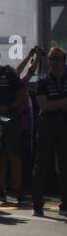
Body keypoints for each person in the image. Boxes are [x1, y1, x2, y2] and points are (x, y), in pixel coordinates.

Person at [0, 46, 30, 205]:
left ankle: (19, 190)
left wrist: (10, 108)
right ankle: (0, 190)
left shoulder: (8, 73)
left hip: (11, 119)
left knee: (13, 154)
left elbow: (22, 95)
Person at [32, 46, 67, 216]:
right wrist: (62, 103)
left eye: (57, 59)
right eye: (51, 59)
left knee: (64, 164)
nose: (54, 62)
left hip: (64, 124)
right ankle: (37, 202)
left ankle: (65, 202)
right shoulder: (43, 81)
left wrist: (56, 104)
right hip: (47, 124)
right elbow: (43, 105)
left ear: (64, 61)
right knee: (42, 164)